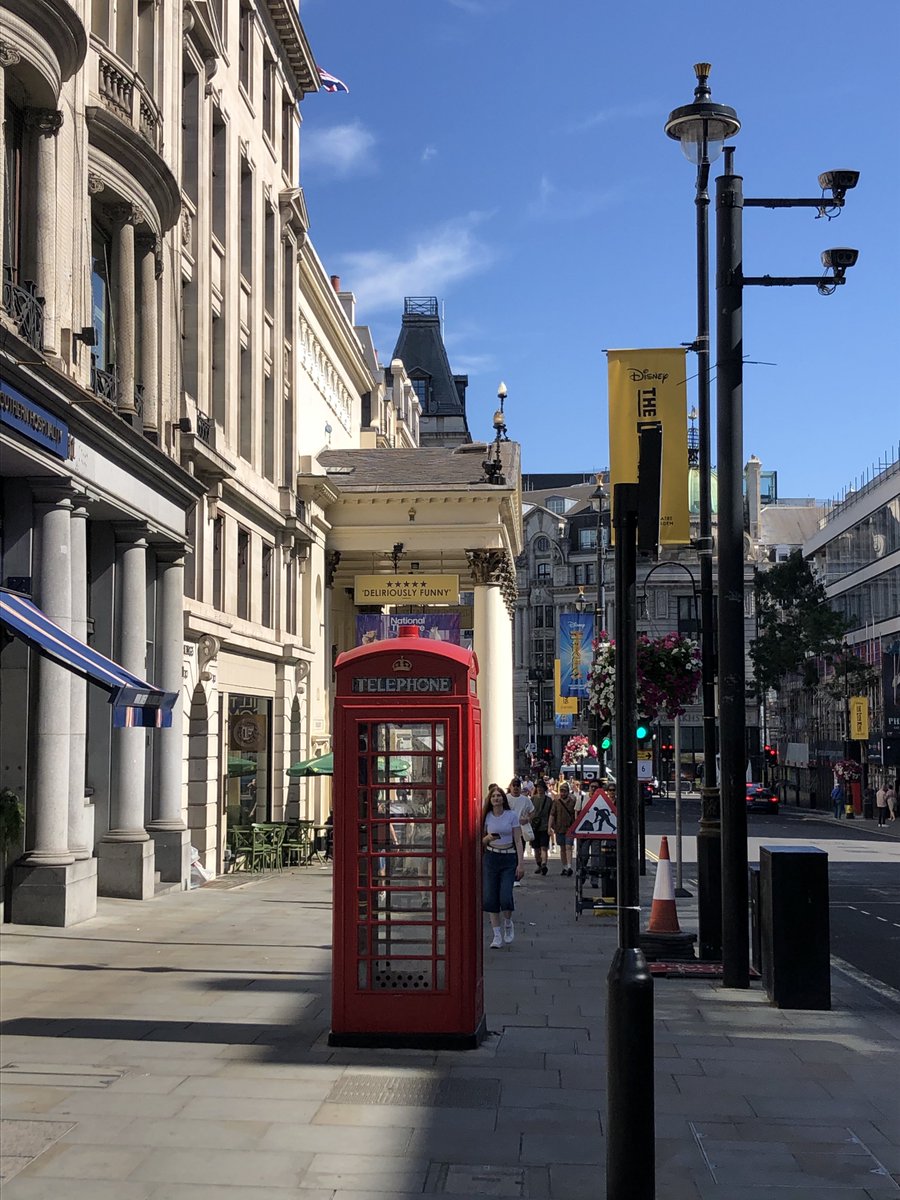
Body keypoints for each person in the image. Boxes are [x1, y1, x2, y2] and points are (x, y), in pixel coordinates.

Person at [482, 783, 524, 948]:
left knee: (505, 896)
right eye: (493, 796)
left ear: (503, 798)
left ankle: (508, 923)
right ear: (490, 799)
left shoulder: (511, 815)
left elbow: (518, 840)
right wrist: (487, 839)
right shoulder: (487, 816)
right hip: (491, 857)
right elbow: (481, 840)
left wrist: (520, 863)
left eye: (499, 795)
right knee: (491, 897)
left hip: (508, 858)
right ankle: (496, 935)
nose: (496, 798)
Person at [506, 777, 535, 880]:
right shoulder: (506, 798)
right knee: (510, 853)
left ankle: (517, 876)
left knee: (519, 852)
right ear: (510, 787)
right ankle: (510, 873)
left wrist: (527, 819)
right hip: (508, 830)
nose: (516, 788)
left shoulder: (525, 800)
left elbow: (532, 811)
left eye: (518, 786)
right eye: (514, 785)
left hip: (521, 830)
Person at [549, 781, 577, 876]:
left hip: (570, 827)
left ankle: (569, 866)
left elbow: (576, 814)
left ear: (568, 792)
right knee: (562, 848)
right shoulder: (556, 802)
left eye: (564, 791)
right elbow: (552, 815)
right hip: (559, 828)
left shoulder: (572, 802)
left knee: (568, 847)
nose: (562, 793)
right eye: (561, 791)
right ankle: (564, 866)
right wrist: (550, 827)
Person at [529, 780, 553, 875]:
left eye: (540, 787)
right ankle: (542, 864)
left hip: (539, 826)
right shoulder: (548, 800)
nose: (539, 789)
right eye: (538, 787)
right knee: (540, 847)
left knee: (540, 847)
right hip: (540, 826)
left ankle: (541, 864)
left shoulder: (533, 799)